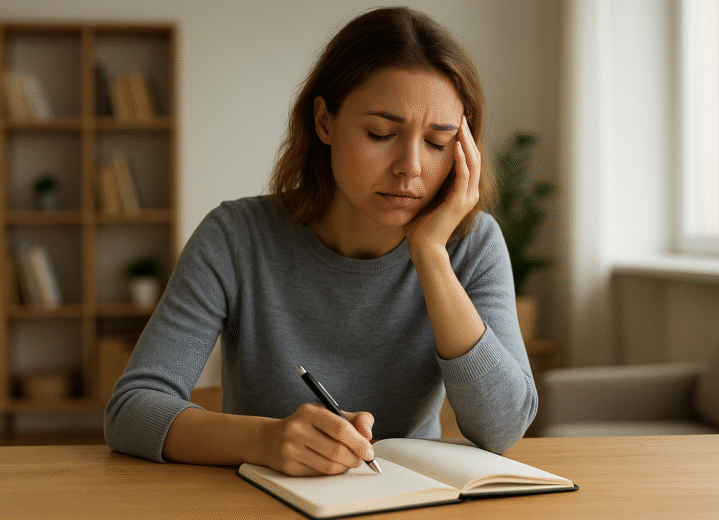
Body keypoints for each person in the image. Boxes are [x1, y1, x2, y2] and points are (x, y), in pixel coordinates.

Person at [104, 6, 537, 477]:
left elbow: (503, 428)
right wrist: (264, 439)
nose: (411, 167)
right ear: (325, 121)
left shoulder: (473, 244)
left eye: (437, 142)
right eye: (381, 133)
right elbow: (131, 409)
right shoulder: (236, 236)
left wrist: (431, 256)